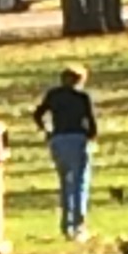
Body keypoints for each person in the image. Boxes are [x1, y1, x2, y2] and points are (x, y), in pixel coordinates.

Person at [33, 64, 98, 240]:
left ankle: (65, 224)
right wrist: (91, 137)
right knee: (80, 183)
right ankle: (79, 225)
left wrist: (47, 130)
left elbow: (38, 114)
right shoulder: (82, 97)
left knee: (64, 182)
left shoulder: (53, 95)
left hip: (58, 139)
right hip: (77, 139)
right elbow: (91, 121)